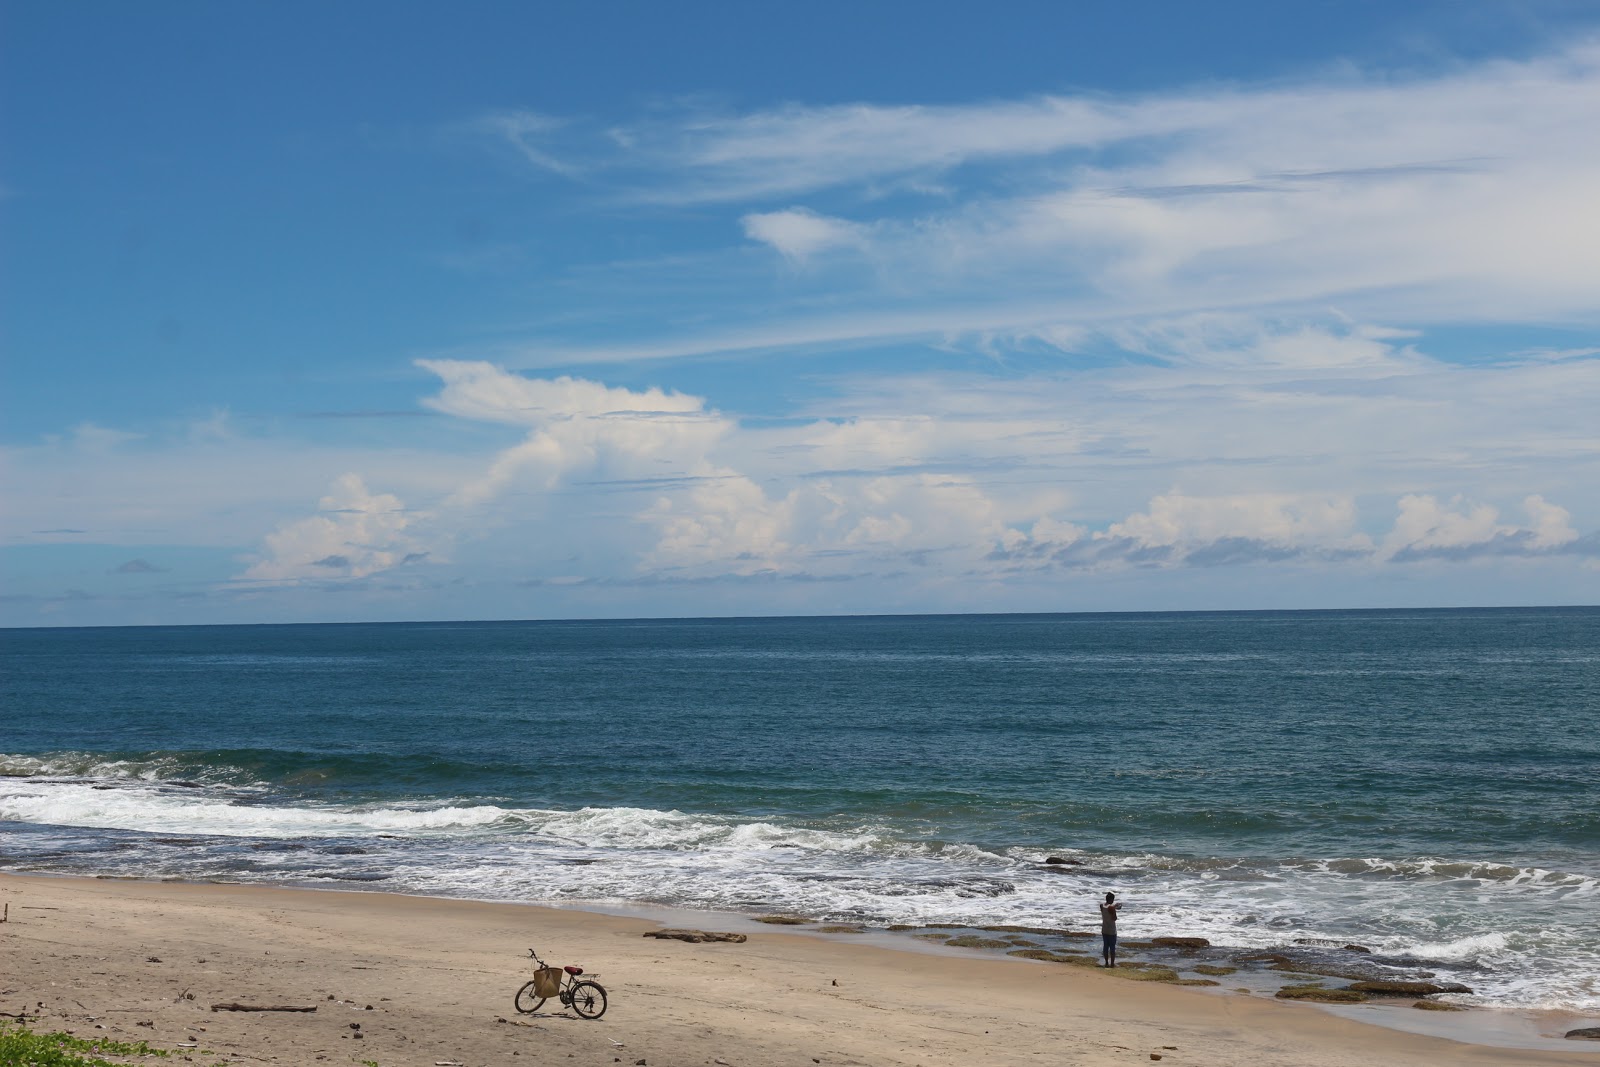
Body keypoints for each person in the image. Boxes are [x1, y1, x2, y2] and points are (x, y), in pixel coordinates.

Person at [1098, 891, 1120, 967]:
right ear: (1111, 899)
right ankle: (1112, 964)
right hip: (1111, 930)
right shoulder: (1111, 907)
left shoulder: (1101, 905)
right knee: (1112, 948)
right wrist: (1115, 908)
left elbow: (1106, 909)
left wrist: (1114, 907)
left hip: (1104, 928)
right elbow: (1114, 918)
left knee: (1106, 947)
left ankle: (1106, 962)